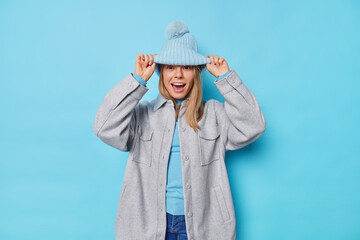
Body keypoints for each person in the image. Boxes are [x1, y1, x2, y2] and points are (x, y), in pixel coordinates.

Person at [93, 20, 266, 240]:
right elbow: (103, 127)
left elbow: (254, 125)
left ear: (196, 73)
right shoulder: (141, 115)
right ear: (161, 72)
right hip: (146, 226)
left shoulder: (214, 114)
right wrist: (136, 81)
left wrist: (226, 79)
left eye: (186, 67)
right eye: (171, 67)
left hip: (204, 226)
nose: (178, 75)